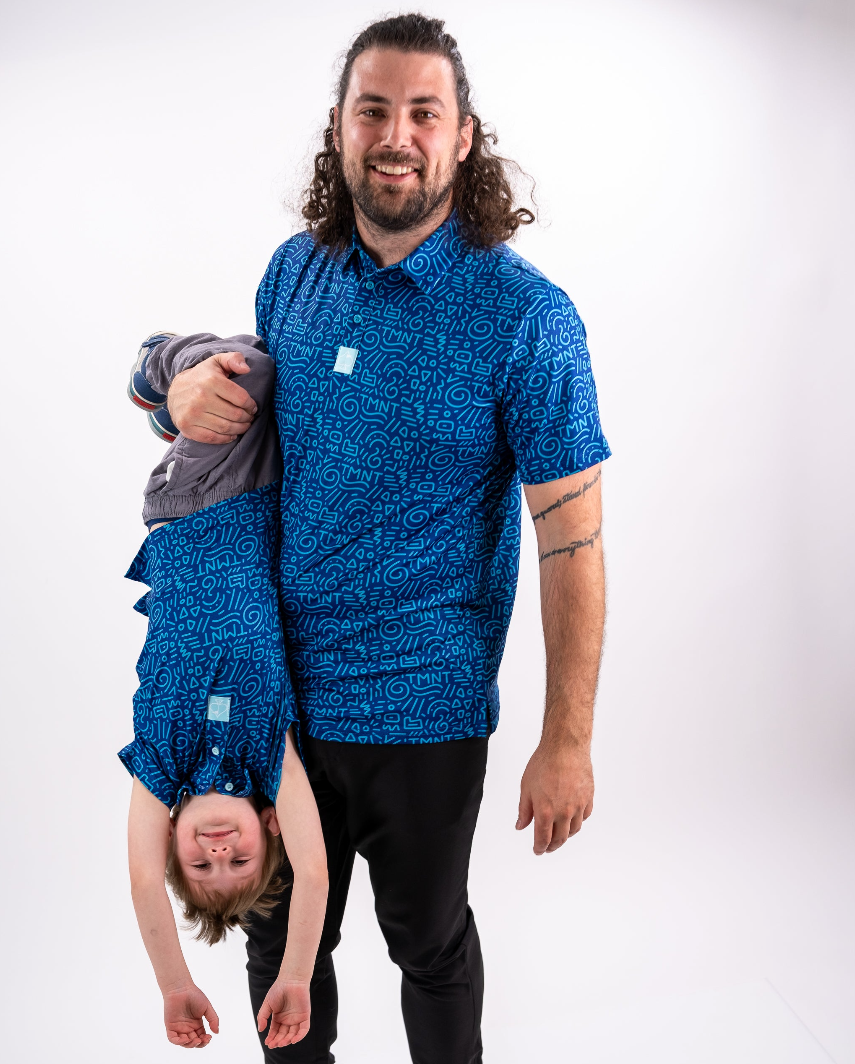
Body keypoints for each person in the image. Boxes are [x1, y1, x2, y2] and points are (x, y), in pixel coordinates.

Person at [134, 13, 611, 1062]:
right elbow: (222, 420)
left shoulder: (527, 319)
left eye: (423, 113)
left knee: (427, 943)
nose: (396, 136)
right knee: (278, 945)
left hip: (423, 708)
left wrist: (567, 737)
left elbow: (572, 543)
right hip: (278, 699)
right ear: (340, 128)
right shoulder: (293, 273)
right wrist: (172, 388)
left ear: (464, 136)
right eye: (373, 110)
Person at [122, 338, 328, 1052]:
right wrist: (295, 975)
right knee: (301, 381)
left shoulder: (162, 761)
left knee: (251, 369)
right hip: (263, 502)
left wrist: (174, 986)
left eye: (199, 863)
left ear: (171, 840)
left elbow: (142, 880)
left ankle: (156, 367)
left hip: (194, 507)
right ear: (269, 829)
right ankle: (176, 394)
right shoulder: (270, 755)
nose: (218, 850)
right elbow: (314, 874)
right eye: (238, 862)